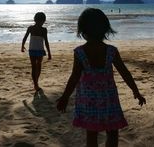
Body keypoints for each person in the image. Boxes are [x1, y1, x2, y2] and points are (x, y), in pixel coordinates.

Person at [56, 8, 146, 147]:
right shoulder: (111, 51)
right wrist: (136, 91)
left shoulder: (80, 52)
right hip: (109, 99)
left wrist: (65, 97)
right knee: (112, 131)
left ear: (83, 31)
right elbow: (124, 72)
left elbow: (74, 77)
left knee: (91, 133)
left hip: (88, 100)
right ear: (105, 29)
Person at [21, 12, 52, 91]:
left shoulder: (33, 28)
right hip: (37, 50)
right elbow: (46, 42)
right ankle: (36, 84)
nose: (41, 23)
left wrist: (22, 46)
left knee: (35, 67)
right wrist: (49, 53)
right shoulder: (41, 29)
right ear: (43, 20)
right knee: (36, 66)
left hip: (35, 49)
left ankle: (36, 83)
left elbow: (46, 41)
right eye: (42, 21)